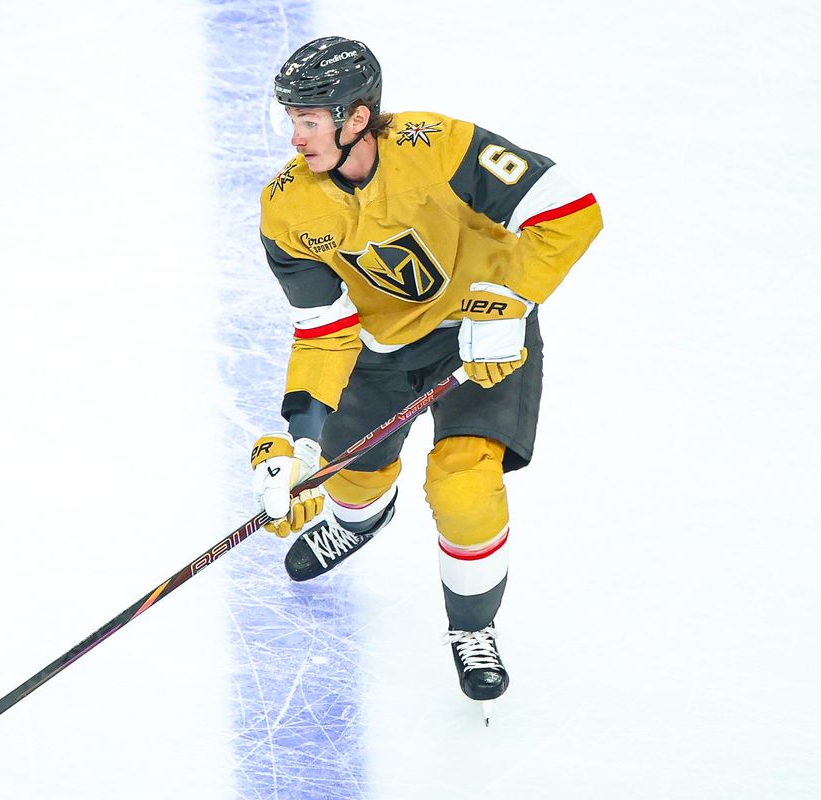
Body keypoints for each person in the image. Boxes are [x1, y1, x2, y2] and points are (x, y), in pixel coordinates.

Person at [249, 35, 602, 716]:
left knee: (464, 482)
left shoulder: (436, 145)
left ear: (356, 119)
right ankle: (362, 516)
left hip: (484, 328)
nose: (294, 137)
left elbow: (570, 208)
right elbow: (323, 331)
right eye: (289, 118)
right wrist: (301, 443)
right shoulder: (287, 209)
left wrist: (512, 297)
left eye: (309, 120)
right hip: (382, 346)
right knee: (350, 479)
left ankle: (473, 626)